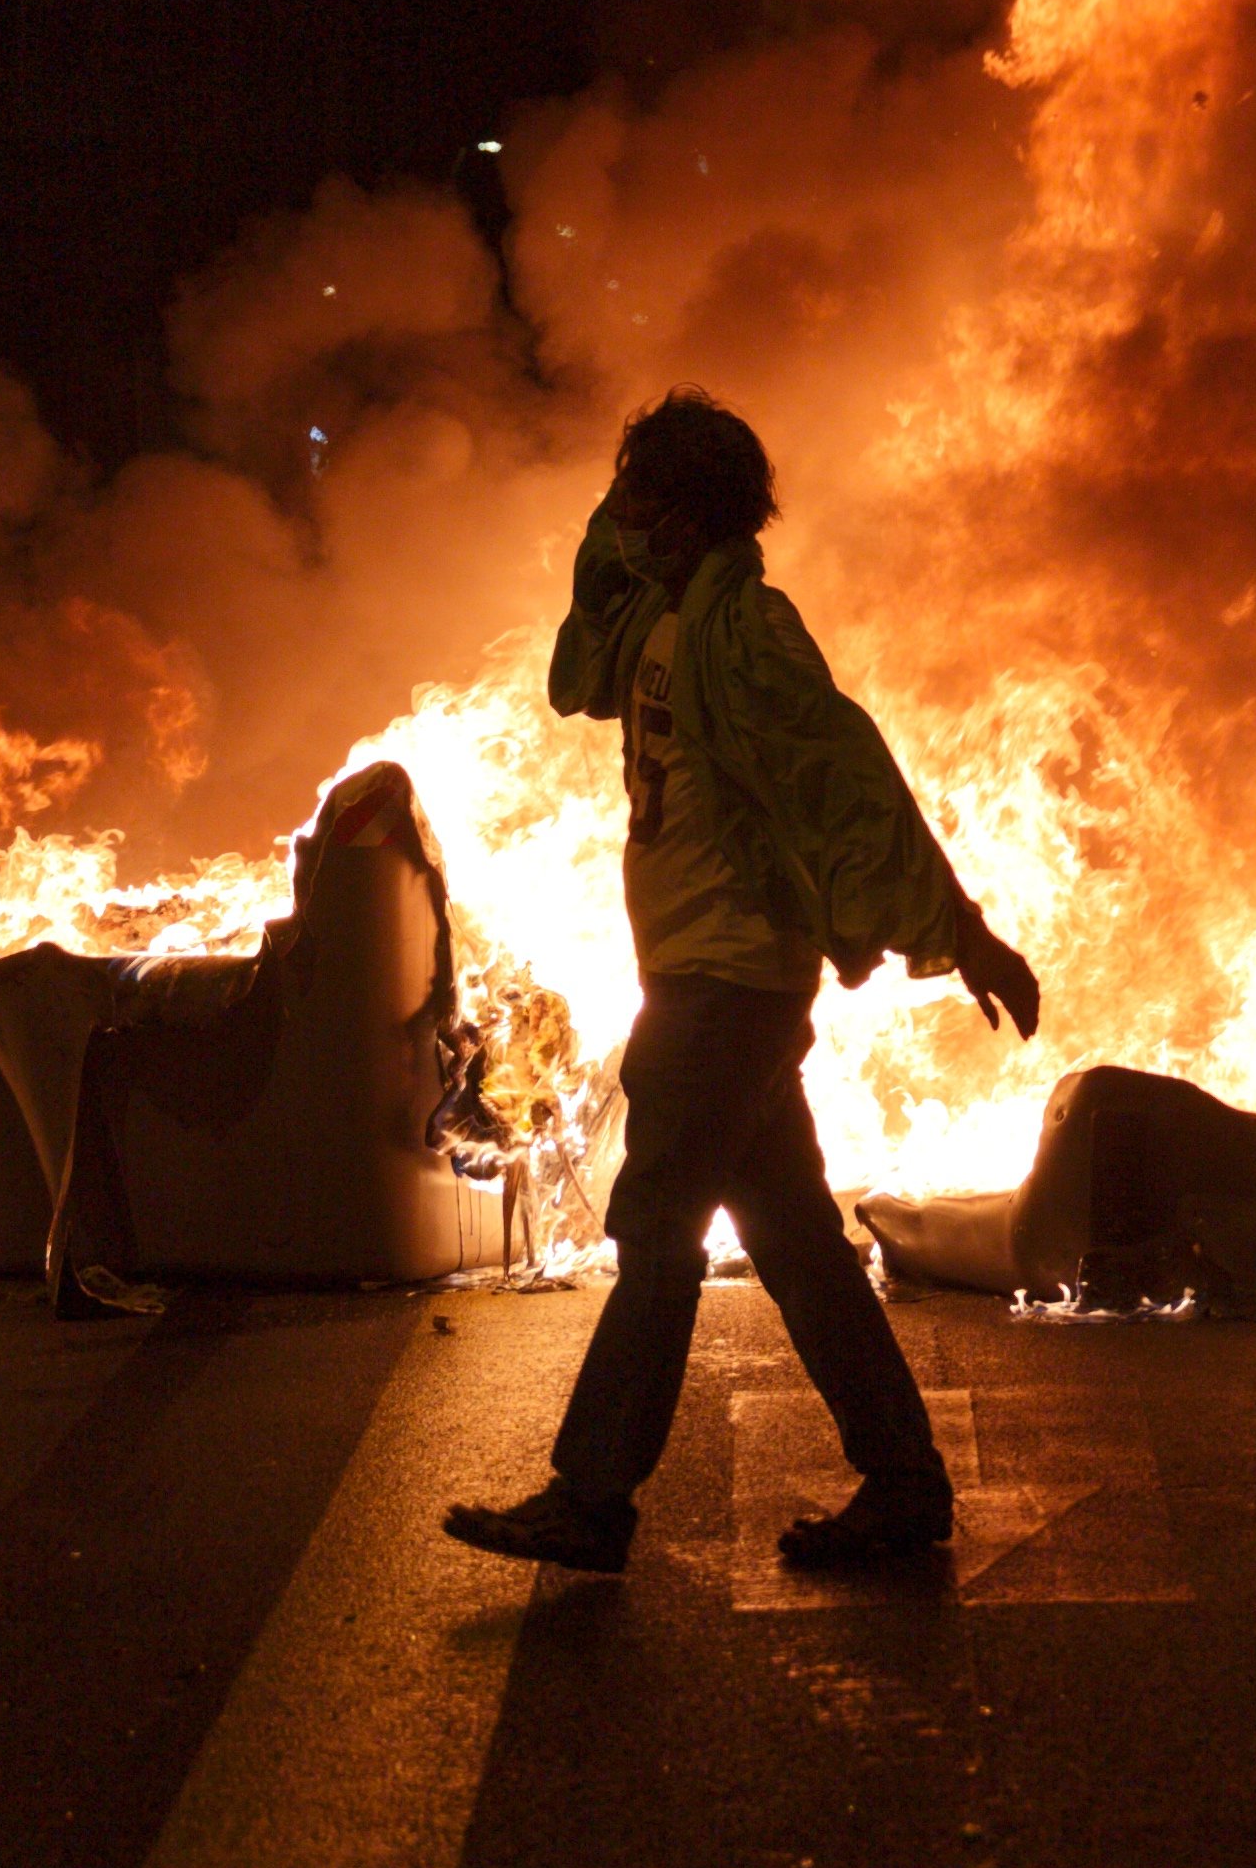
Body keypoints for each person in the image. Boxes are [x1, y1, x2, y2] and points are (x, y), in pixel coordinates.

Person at [446, 395, 1046, 1579]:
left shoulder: (747, 635)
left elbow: (848, 782)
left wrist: (960, 931)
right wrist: (621, 510)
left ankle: (594, 1496)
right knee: (796, 1240)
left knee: (657, 1229)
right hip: (702, 973)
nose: (632, 520)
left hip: (728, 986)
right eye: (632, 499)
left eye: (651, 501)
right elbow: (584, 645)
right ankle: (907, 1485)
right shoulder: (662, 626)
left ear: (693, 516)